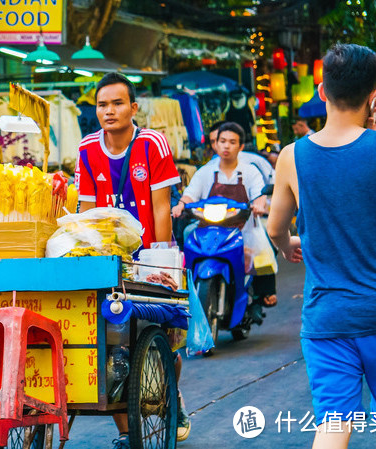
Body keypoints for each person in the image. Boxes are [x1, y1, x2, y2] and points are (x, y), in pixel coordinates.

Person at [268, 43, 376, 449]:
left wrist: (289, 243)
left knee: (333, 424)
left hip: (327, 316)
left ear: (322, 92)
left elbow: (276, 228)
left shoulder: (292, 156)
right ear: (373, 94)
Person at [75, 73, 189, 447]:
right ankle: (127, 432)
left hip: (151, 255)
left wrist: (157, 262)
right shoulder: (87, 149)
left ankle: (173, 397)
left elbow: (160, 208)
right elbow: (88, 213)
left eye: (117, 103)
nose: (109, 111)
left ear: (133, 107)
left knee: (168, 339)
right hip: (108, 260)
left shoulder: (152, 143)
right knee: (111, 345)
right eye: (102, 104)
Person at [174, 122, 271, 322]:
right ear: (216, 144)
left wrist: (260, 204)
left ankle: (262, 295)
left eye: (232, 142)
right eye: (223, 141)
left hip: (241, 228)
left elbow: (259, 194)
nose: (226, 146)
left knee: (264, 243)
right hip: (209, 227)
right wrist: (180, 205)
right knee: (186, 236)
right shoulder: (205, 171)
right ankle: (183, 283)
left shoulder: (249, 172)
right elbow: (190, 194)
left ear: (241, 146)